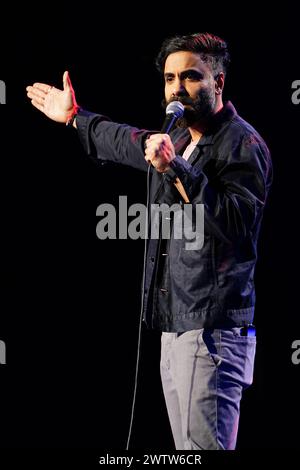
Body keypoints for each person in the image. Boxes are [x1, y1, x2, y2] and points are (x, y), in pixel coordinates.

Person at [26, 32, 272, 450]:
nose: (177, 87)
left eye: (191, 77)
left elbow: (236, 225)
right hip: (175, 326)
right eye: (169, 78)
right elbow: (128, 141)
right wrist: (75, 118)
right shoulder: (178, 139)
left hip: (212, 331)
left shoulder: (241, 143)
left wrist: (177, 170)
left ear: (219, 83)